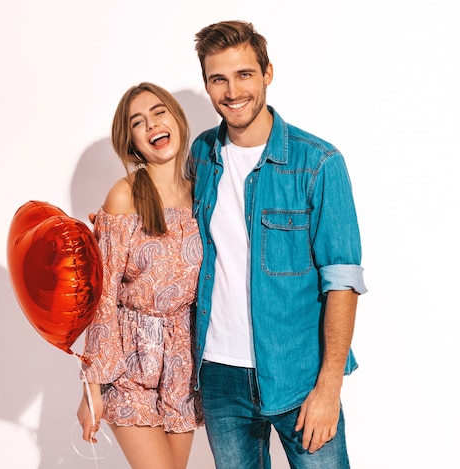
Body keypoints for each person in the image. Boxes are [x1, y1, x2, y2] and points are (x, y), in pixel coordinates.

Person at [190, 21, 367, 468]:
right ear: (207, 85)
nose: (233, 91)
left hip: (301, 375)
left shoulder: (319, 163)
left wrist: (329, 388)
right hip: (219, 376)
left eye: (244, 74)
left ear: (268, 73)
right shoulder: (201, 157)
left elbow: (342, 282)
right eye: (219, 79)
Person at [76, 82, 203, 469]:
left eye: (159, 112)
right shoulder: (125, 196)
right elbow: (101, 297)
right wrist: (91, 388)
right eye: (138, 122)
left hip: (183, 364)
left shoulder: (203, 192)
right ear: (130, 141)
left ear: (177, 119)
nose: (152, 125)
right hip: (129, 363)